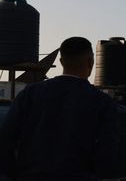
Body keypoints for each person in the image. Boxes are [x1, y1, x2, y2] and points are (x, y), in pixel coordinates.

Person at [0, 37, 118, 181]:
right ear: (90, 62)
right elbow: (108, 154)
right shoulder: (102, 102)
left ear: (61, 62)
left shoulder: (29, 94)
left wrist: (14, 174)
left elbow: (6, 139)